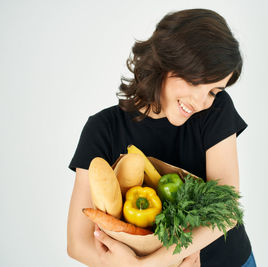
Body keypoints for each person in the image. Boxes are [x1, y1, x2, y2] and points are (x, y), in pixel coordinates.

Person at [67, 8, 256, 267]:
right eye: (195, 82)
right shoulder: (103, 129)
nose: (201, 101)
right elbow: (78, 244)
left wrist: (148, 265)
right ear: (166, 62)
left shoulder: (217, 110)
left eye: (213, 90)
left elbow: (226, 211)